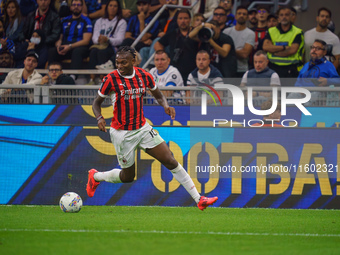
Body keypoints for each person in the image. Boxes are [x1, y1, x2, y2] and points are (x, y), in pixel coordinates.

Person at [87, 46, 218, 211]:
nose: (119, 66)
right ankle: (96, 176)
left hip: (142, 128)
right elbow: (96, 103)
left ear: (133, 61)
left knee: (170, 159)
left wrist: (165, 105)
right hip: (122, 133)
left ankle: (199, 199)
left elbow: (157, 93)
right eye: (117, 63)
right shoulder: (111, 79)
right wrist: (99, 118)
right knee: (128, 177)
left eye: (124, 62)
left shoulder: (144, 76)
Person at [154, 9, 199, 85]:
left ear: (190, 20)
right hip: (176, 70)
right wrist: (164, 56)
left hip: (193, 71)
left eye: (185, 18)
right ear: (177, 20)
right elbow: (157, 44)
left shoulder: (196, 33)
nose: (183, 21)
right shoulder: (172, 33)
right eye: (180, 18)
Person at [290, 39, 340, 106]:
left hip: (318, 94)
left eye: (318, 48)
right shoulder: (306, 65)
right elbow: (298, 82)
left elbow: (338, 80)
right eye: (312, 47)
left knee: (313, 97)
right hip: (302, 93)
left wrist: (327, 81)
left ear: (324, 52)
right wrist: (300, 90)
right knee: (291, 97)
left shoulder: (328, 65)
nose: (314, 50)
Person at [48, 0, 93, 73]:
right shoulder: (64, 20)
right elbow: (60, 37)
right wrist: (58, 44)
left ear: (82, 7)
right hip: (66, 46)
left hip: (79, 46)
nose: (76, 7)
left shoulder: (86, 20)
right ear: (70, 7)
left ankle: (73, 76)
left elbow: (86, 41)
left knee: (77, 52)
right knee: (52, 51)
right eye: (74, 5)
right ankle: (51, 75)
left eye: (78, 5)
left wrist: (70, 46)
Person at [263, 7, 304, 80]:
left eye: (287, 15)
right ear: (278, 18)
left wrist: (274, 52)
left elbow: (292, 51)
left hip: (290, 70)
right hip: (273, 68)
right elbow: (265, 47)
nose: (284, 17)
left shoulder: (297, 32)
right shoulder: (271, 31)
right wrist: (284, 48)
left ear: (291, 17)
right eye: (281, 15)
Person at [89, 0, 127, 69]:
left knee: (102, 52)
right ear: (107, 7)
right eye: (110, 5)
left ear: (118, 9)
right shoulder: (99, 21)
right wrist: (99, 40)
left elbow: (120, 40)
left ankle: (102, 76)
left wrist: (108, 39)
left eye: (115, 6)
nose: (112, 8)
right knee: (93, 51)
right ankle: (92, 77)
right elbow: (94, 37)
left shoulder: (122, 22)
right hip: (99, 45)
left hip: (112, 47)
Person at [223, 6, 255, 77]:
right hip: (226, 68)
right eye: (239, 13)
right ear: (235, 16)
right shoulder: (226, 31)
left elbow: (244, 54)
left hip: (241, 69)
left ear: (247, 17)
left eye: (244, 14)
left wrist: (228, 50)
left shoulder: (250, 33)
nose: (241, 15)